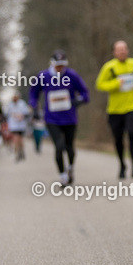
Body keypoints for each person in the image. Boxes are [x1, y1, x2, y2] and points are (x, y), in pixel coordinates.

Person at [29, 50, 90, 186]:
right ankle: (62, 176)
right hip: (52, 119)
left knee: (69, 147)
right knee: (59, 145)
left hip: (70, 118)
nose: (60, 68)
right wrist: (34, 106)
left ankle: (70, 168)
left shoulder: (72, 75)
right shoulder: (43, 76)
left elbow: (85, 94)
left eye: (62, 65)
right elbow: (33, 94)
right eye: (57, 65)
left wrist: (77, 101)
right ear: (52, 64)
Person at [95, 40, 133, 179]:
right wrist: (117, 83)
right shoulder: (109, 67)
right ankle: (122, 165)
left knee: (131, 133)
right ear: (114, 52)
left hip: (132, 105)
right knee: (118, 138)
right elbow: (100, 85)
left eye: (124, 49)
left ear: (127, 50)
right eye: (119, 50)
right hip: (114, 109)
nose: (122, 52)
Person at [5, 93, 32, 161]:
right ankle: (17, 153)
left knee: (20, 139)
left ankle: (21, 151)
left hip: (21, 125)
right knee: (16, 139)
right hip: (14, 125)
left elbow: (27, 112)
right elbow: (6, 113)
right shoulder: (10, 105)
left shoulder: (22, 103)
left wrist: (22, 116)